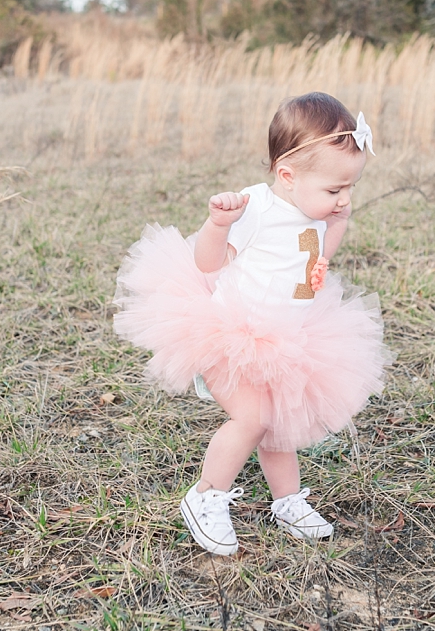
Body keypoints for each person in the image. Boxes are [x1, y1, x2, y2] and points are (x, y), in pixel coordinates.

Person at [113, 92, 391, 556]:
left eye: (350, 189)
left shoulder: (315, 207)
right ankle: (205, 496)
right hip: (229, 333)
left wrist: (336, 222)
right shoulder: (256, 208)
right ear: (287, 175)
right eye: (334, 190)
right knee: (254, 418)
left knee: (279, 423)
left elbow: (322, 248)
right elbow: (207, 263)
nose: (343, 199)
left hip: (288, 337)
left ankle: (287, 502)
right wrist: (219, 224)